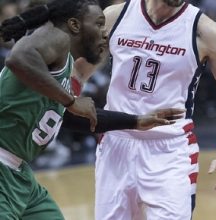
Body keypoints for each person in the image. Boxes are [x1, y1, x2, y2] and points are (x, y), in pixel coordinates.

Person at [0, 1, 183, 219]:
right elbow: (17, 58)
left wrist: (135, 121)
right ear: (75, 25)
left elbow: (73, 116)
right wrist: (71, 101)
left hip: (18, 173)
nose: (105, 34)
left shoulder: (63, 64)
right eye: (99, 24)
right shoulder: (56, 37)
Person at [94, 0, 216, 219]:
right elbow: (78, 72)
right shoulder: (114, 16)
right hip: (116, 142)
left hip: (170, 150)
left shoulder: (205, 31)